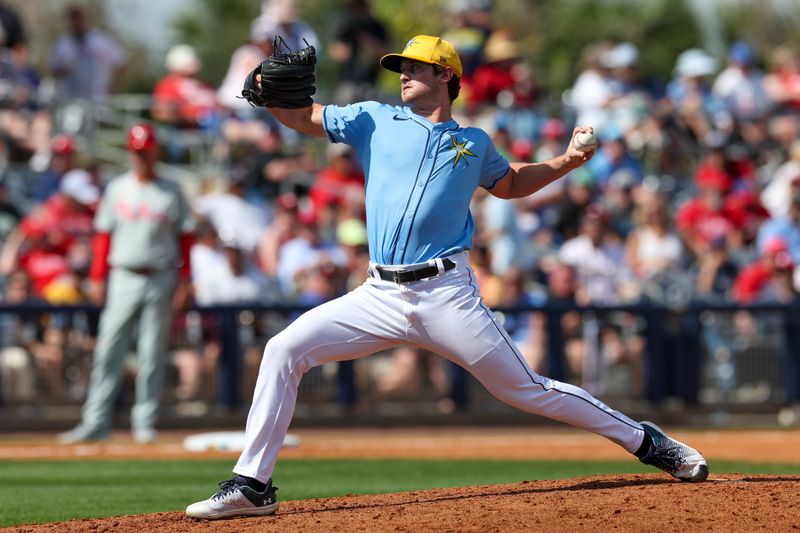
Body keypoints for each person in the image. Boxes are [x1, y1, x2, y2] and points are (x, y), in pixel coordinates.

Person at [186, 34, 708, 520]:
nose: (403, 74)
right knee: (283, 350)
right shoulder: (373, 118)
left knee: (526, 389)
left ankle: (647, 442)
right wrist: (269, 97)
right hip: (379, 293)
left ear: (445, 76)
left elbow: (509, 183)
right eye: (401, 67)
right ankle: (253, 485)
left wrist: (567, 161)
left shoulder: (474, 142)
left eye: (415, 67)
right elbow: (304, 117)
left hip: (445, 294)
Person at [58, 123, 195, 444]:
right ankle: (95, 421)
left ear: (155, 151)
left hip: (161, 275)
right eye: (136, 152)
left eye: (146, 151)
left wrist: (186, 282)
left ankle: (144, 421)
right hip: (123, 274)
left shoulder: (172, 190)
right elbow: (104, 237)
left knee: (151, 353)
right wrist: (96, 278)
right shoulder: (118, 187)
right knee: (108, 349)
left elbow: (186, 240)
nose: (141, 157)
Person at [48, 5, 127, 101]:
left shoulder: (102, 40)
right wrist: (64, 71)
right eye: (74, 20)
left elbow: (121, 64)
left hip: (98, 99)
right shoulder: (62, 44)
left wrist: (113, 88)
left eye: (79, 19)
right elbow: (53, 70)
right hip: (70, 100)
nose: (77, 23)